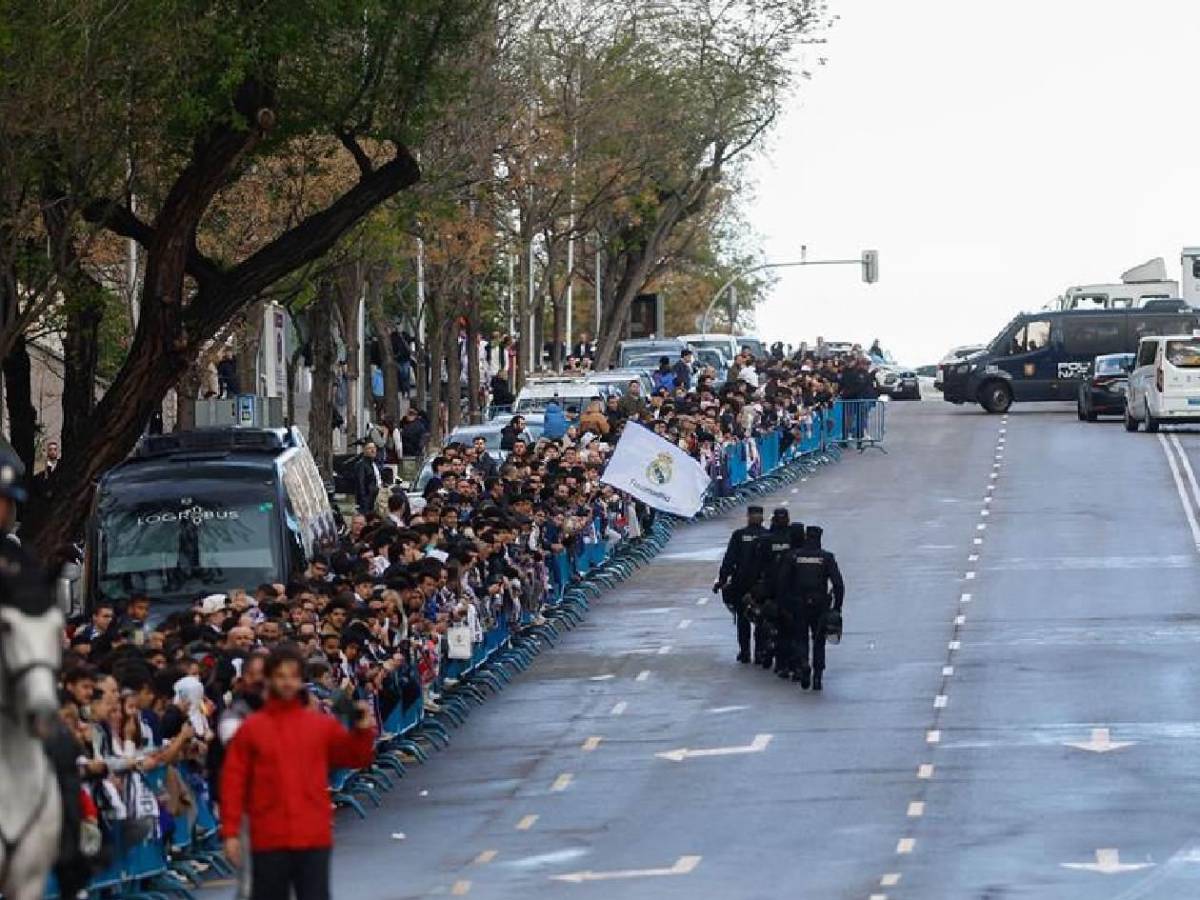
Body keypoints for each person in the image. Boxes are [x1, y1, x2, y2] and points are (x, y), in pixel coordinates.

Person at [220, 643, 376, 900]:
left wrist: (362, 730)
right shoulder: (252, 729)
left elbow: (354, 756)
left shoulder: (319, 725)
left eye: (293, 676)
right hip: (268, 836)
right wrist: (231, 832)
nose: (287, 683)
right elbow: (233, 781)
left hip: (312, 833)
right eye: (280, 676)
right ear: (269, 680)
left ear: (301, 680)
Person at [779, 525, 844, 691]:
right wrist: (837, 607)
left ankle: (803, 663)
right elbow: (838, 584)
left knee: (800, 637)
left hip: (798, 603)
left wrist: (785, 604)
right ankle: (817, 677)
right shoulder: (826, 557)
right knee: (819, 640)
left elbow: (782, 582)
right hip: (820, 604)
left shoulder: (794, 556)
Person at [713, 505, 766, 663]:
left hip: (742, 583)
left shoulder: (739, 535)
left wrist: (722, 580)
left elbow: (729, 560)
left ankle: (745, 652)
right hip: (760, 585)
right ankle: (759, 652)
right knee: (760, 619)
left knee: (743, 620)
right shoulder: (767, 535)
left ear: (748, 517)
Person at [748, 507, 793, 671]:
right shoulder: (792, 539)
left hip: (769, 586)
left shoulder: (766, 540)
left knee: (763, 620)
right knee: (787, 626)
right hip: (787, 588)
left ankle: (762, 652)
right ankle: (784, 661)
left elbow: (757, 565)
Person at [354, 441, 382, 514]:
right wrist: (364, 502)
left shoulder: (374, 464)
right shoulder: (361, 465)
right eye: (370, 448)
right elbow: (360, 484)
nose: (373, 450)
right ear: (364, 450)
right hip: (367, 501)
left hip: (375, 499)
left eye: (374, 448)